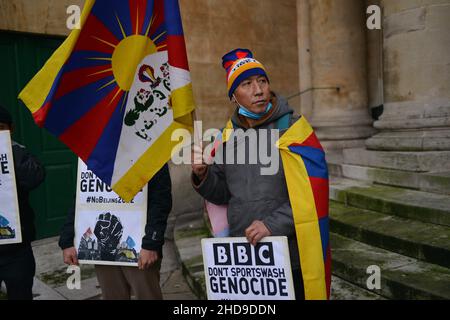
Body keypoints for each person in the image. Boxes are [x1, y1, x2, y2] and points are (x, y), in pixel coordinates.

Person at [191, 49, 331, 300]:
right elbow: (223, 194)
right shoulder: (228, 138)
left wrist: (270, 225)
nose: (258, 90)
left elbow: (312, 195)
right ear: (234, 96)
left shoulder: (294, 130)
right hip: (245, 258)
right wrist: (203, 176)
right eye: (247, 84)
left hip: (289, 256)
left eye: (262, 81)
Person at [58, 164, 172, 300]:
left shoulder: (151, 151)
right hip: (104, 251)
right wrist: (67, 240)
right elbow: (82, 199)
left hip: (140, 245)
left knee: (146, 295)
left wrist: (151, 243)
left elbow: (161, 201)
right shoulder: (94, 152)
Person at [0, 104, 45, 300]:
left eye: (0, 128)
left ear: (11, 129)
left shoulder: (19, 152)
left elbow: (35, 177)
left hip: (16, 249)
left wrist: (8, 151)